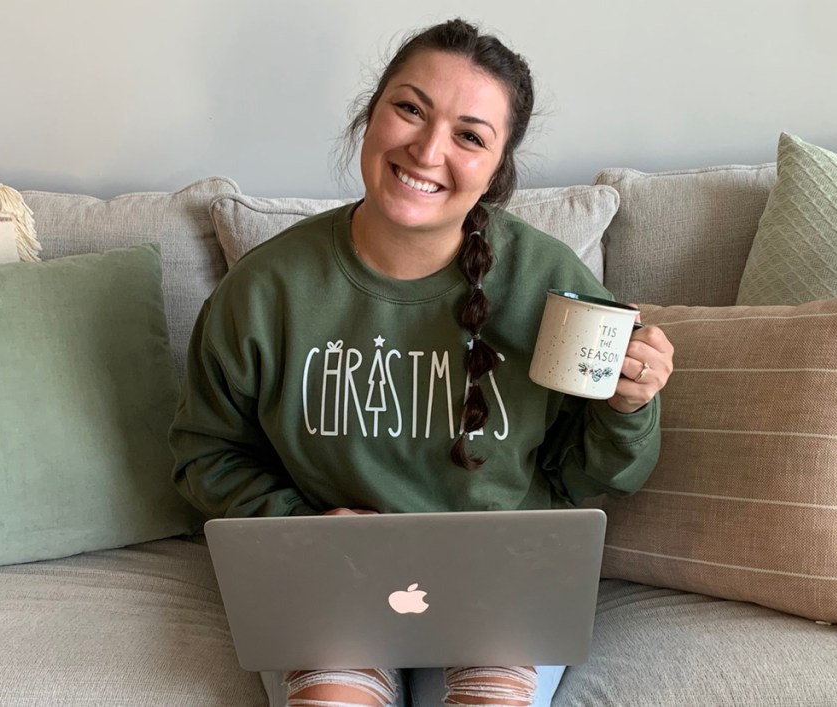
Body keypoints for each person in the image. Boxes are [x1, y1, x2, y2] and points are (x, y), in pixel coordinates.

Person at [169, 17, 674, 707]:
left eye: (470, 135)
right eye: (410, 108)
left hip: (502, 585)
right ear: (370, 116)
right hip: (331, 576)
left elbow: (597, 475)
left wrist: (629, 404)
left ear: (499, 169)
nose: (428, 148)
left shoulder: (548, 285)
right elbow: (204, 455)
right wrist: (299, 523)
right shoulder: (265, 291)